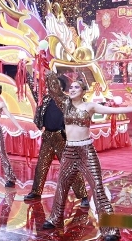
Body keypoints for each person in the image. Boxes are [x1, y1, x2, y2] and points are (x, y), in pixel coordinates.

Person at [42, 72, 132, 241]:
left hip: (86, 151)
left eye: (76, 87)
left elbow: (114, 111)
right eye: (71, 87)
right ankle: (55, 218)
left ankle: (110, 228)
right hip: (69, 151)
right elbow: (53, 90)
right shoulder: (65, 104)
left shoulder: (89, 106)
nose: (72, 89)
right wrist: (47, 70)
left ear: (83, 91)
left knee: (98, 188)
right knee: (62, 186)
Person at [23, 73, 88, 207]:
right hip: (47, 136)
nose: (51, 86)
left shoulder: (68, 101)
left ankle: (83, 196)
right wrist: (25, 72)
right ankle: (36, 192)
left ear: (61, 87)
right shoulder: (45, 99)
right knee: (41, 166)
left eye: (54, 84)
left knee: (70, 168)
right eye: (50, 84)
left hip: (62, 138)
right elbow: (34, 89)